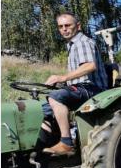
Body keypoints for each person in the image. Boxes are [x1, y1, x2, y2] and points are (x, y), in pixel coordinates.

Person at [40, 13, 108, 156]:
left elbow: (90, 66)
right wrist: (63, 82)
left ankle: (66, 142)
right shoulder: (72, 45)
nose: (64, 29)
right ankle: (42, 149)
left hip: (94, 89)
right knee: (46, 107)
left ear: (78, 26)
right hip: (83, 87)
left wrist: (62, 77)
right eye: (60, 26)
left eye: (67, 25)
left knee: (56, 97)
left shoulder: (82, 42)